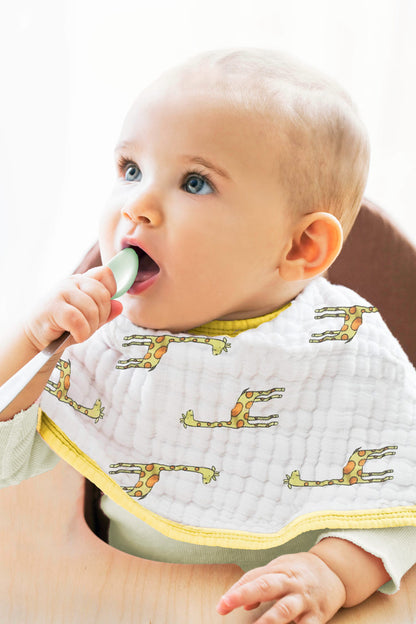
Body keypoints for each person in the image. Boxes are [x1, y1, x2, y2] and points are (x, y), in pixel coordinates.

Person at [1, 48, 416, 624]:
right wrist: (30, 342)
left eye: (194, 183)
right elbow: (7, 461)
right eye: (130, 169)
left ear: (301, 247)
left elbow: (399, 498)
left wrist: (334, 571)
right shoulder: (106, 337)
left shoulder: (345, 340)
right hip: (120, 601)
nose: (137, 205)